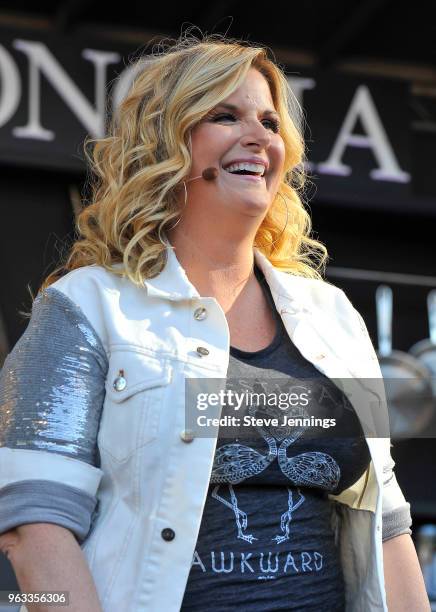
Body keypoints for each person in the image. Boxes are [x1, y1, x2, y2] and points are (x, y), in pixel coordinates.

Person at [0, 32, 430, 612]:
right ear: (166, 144)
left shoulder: (333, 317)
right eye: (225, 116)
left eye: (270, 123)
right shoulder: (88, 308)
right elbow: (32, 528)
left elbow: (387, 523)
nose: (258, 136)